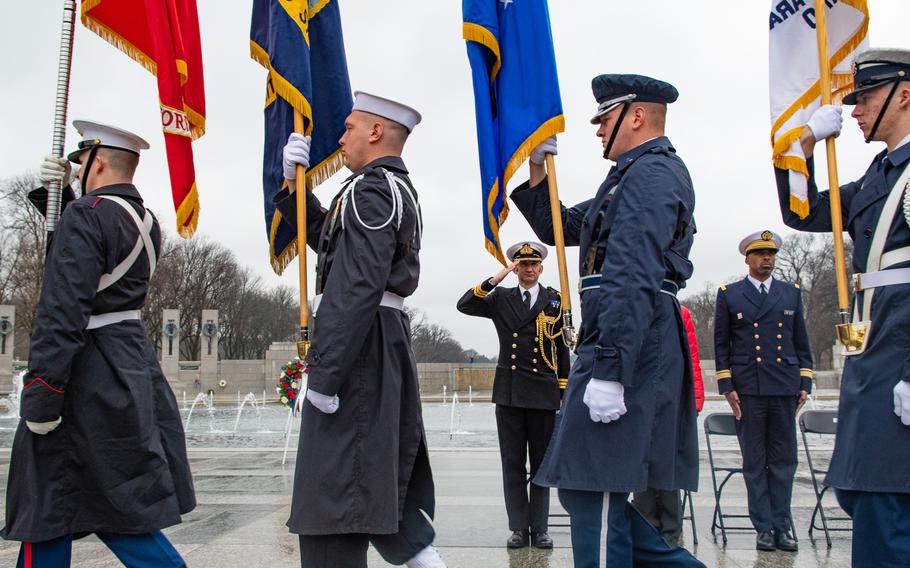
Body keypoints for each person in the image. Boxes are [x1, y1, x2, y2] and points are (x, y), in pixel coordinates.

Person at [511, 74, 703, 567]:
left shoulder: (653, 174)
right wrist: (537, 168)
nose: (597, 130)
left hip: (627, 343)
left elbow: (634, 273)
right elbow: (566, 227)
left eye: (604, 119)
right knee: (584, 488)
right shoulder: (627, 177)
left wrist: (611, 370)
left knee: (592, 489)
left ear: (635, 116)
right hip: (616, 338)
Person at [1, 121, 195, 567]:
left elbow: (62, 307)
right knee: (107, 503)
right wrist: (57, 199)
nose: (76, 168)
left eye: (79, 162)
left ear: (98, 162)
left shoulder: (88, 215)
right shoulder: (145, 220)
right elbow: (95, 262)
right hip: (125, 362)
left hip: (83, 371)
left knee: (47, 504)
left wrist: (43, 392)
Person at [276, 92, 444, 568]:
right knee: (359, 483)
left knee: (333, 494)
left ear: (375, 133)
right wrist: (294, 186)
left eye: (349, 127)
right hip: (371, 340)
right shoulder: (381, 188)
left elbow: (356, 287)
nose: (340, 136)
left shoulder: (373, 190)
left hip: (360, 345)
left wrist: (325, 375)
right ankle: (417, 553)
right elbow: (331, 243)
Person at [775, 47, 910, 565]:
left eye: (865, 97)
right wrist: (805, 144)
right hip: (872, 359)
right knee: (862, 491)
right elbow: (802, 211)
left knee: (887, 501)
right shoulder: (880, 174)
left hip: (898, 356)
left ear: (902, 94)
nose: (854, 110)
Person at [456, 241, 570, 550]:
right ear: (515, 268)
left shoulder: (555, 302)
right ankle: (519, 527)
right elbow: (464, 304)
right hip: (509, 392)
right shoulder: (500, 298)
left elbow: (561, 350)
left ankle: (541, 528)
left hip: (544, 392)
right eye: (523, 265)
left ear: (541, 268)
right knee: (513, 464)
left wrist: (563, 391)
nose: (529, 269)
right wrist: (494, 280)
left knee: (542, 465)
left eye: (534, 264)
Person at [713, 230, 812, 552]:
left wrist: (805, 381)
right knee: (755, 462)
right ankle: (764, 527)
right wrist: (727, 385)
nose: (766, 258)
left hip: (783, 385)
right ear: (748, 259)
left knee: (784, 461)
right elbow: (722, 344)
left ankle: (783, 525)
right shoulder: (731, 294)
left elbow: (801, 340)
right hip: (749, 389)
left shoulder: (790, 293)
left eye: (770, 253)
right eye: (760, 254)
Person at [631, 304, 704, 548]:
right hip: (641, 396)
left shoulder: (681, 312)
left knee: (670, 463)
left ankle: (672, 527)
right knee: (642, 463)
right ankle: (646, 522)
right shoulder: (635, 308)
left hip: (673, 394)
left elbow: (691, 356)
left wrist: (696, 398)